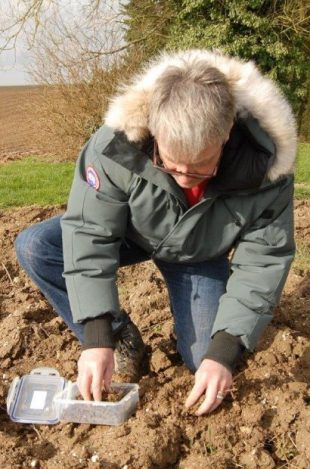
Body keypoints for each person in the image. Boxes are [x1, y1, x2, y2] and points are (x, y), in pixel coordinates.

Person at [15, 49, 297, 416]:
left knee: (204, 362)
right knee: (37, 247)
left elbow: (264, 258)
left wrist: (225, 350)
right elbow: (89, 233)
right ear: (153, 127)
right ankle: (122, 338)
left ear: (227, 133)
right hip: (132, 232)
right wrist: (97, 334)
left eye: (198, 169)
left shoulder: (266, 169)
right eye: (169, 164)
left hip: (200, 250)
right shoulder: (116, 146)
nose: (182, 178)